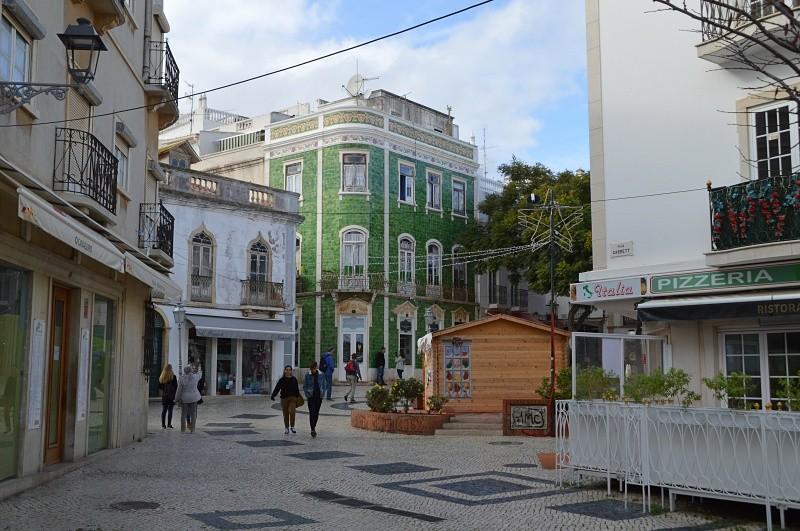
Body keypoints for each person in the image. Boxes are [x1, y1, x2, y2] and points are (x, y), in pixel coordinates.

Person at [271, 365, 301, 434]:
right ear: (284, 371)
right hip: (284, 398)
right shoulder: (281, 380)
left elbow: (297, 389)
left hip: (293, 398)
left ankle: (292, 426)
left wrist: (297, 398)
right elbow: (277, 388)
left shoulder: (294, 379)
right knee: (285, 413)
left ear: (291, 371)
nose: (288, 371)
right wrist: (273, 395)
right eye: (286, 370)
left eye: (289, 370)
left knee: (292, 412)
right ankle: (286, 427)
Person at [303, 362, 327, 438]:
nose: (313, 370)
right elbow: (305, 386)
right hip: (311, 397)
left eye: (314, 368)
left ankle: (314, 426)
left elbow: (324, 384)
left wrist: (323, 393)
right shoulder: (307, 375)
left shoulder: (321, 374)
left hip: (319, 396)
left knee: (316, 413)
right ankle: (312, 429)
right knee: (312, 412)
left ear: (316, 367)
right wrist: (307, 394)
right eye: (311, 369)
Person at [175, 365, 201, 433]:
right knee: (193, 413)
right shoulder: (195, 377)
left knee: (183, 414)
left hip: (185, 398)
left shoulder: (181, 378)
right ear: (191, 370)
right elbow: (200, 374)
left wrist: (176, 398)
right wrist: (199, 367)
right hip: (194, 397)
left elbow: (179, 390)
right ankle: (193, 429)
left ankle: (183, 429)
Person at [158, 364, 178, 429]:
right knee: (170, 410)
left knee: (164, 410)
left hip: (165, 396)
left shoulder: (162, 377)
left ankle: (163, 425)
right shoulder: (173, 377)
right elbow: (176, 387)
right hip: (171, 396)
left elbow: (160, 387)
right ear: (171, 369)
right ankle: (169, 424)